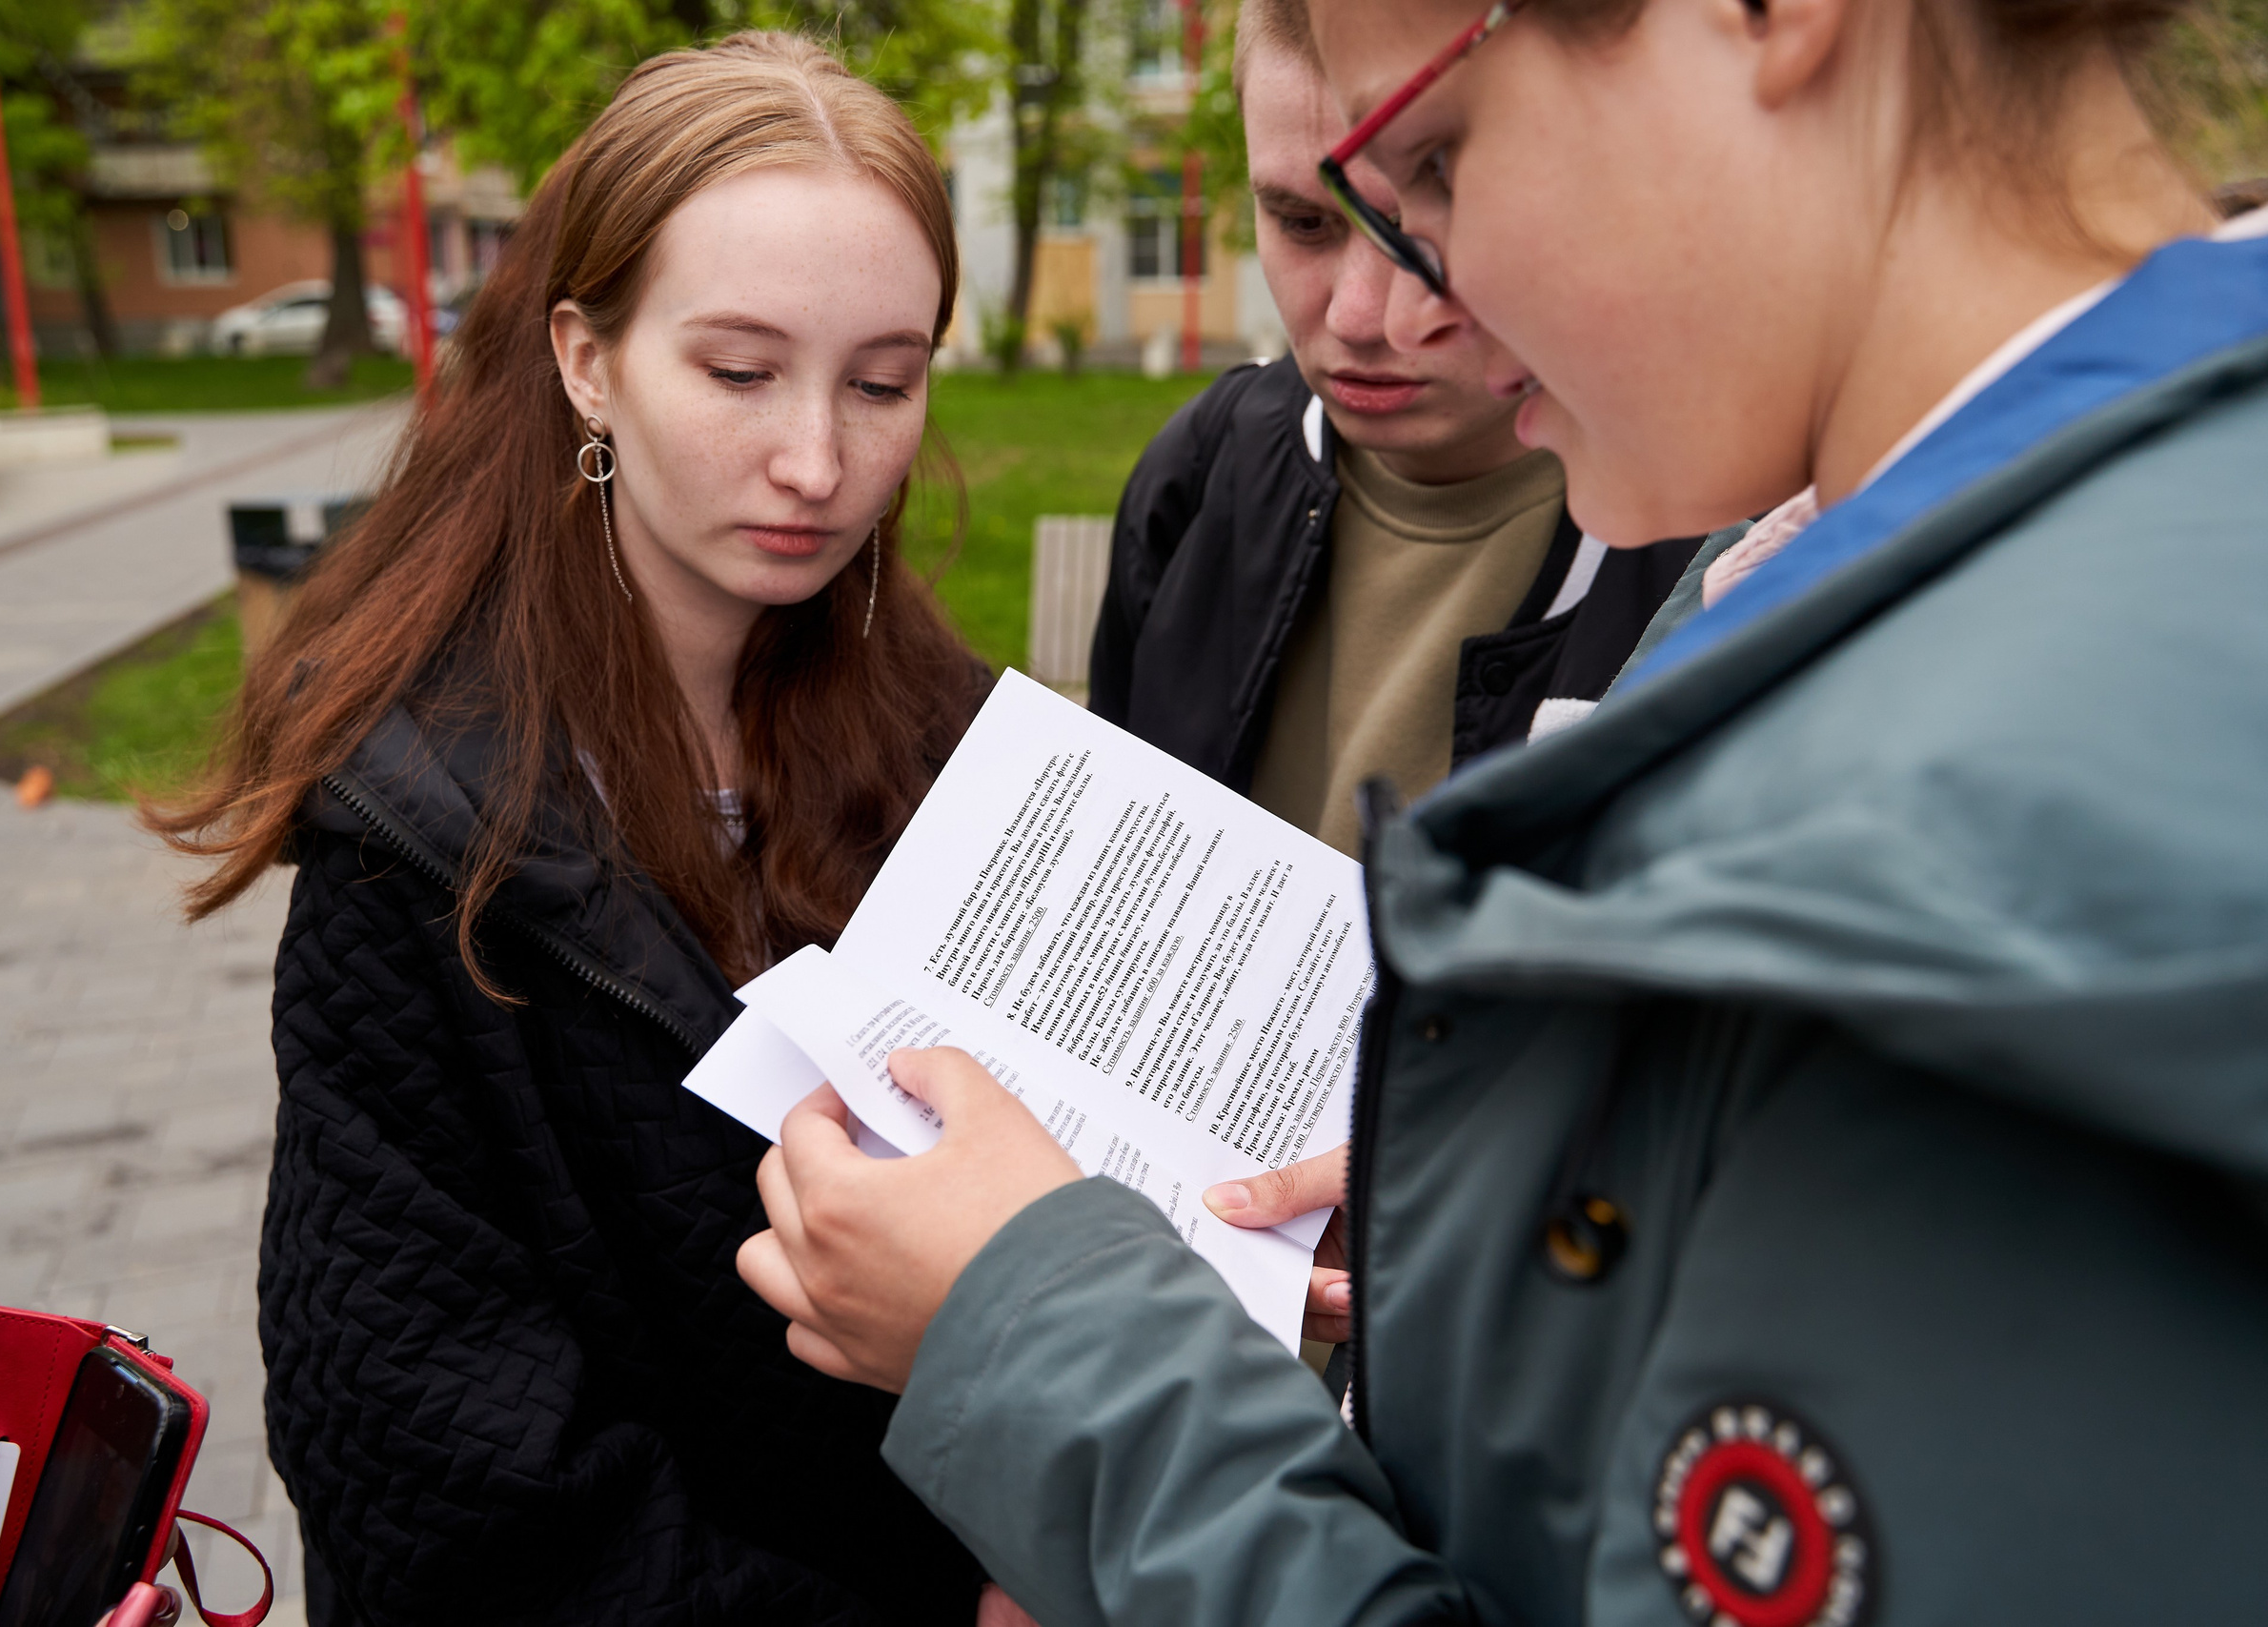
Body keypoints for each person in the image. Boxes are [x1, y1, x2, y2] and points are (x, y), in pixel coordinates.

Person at [736, 1, 2268, 1623]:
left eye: (1438, 162)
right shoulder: (1947, 578)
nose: (1416, 301)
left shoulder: (1965, 826)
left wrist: (1042, 1338)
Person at [149, 33, 994, 1626]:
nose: (819, 460)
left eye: (883, 382)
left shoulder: (960, 750)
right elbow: (450, 1497)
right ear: (586, 359)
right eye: (739, 371)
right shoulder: (421, 835)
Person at [1092, 0, 1700, 862]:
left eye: (1426, 224)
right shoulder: (1202, 472)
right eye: (1303, 223)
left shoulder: (1718, 538)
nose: (1362, 314)